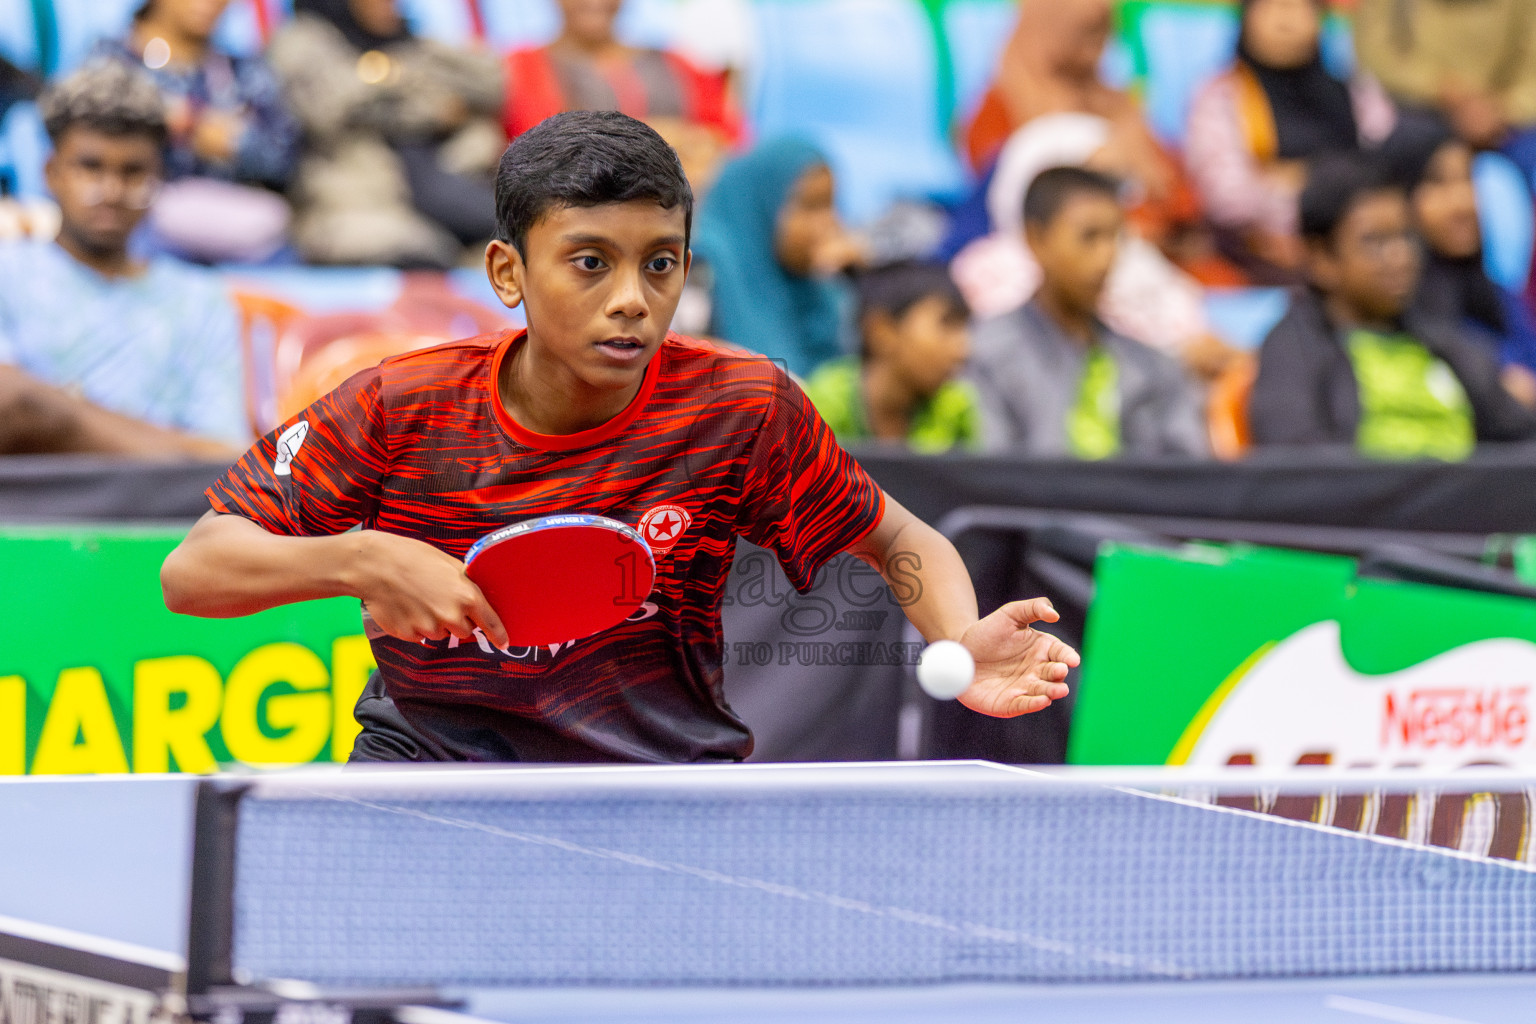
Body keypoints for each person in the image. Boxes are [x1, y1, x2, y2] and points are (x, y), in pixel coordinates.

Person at [159, 110, 1080, 765]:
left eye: (661, 263)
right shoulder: (402, 406)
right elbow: (194, 570)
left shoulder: (741, 408)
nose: (633, 298)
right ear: (508, 272)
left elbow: (897, 537)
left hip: (658, 785)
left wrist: (959, 635)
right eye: (590, 263)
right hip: (429, 774)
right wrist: (359, 559)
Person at [0, 62, 247, 453]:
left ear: (158, 179)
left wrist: (54, 413)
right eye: (90, 168)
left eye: (133, 172)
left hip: (166, 495)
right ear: (51, 173)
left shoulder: (200, 299)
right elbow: (9, 407)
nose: (112, 191)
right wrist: (167, 449)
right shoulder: (9, 274)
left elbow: (221, 456)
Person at [1250, 153, 1536, 458]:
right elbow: (1300, 466)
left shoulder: (1444, 345)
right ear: (1321, 258)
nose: (1401, 257)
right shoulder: (1292, 350)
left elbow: (1521, 439)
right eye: (1376, 242)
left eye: (1406, 237)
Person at [961, 0, 1232, 285]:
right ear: (1049, 29)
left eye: (1103, 33)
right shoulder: (1002, 107)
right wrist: (1084, 168)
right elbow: (1008, 197)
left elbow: (1176, 187)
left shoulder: (1118, 105)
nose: (1097, 45)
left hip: (1156, 256)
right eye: (1086, 32)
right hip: (1064, 270)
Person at [950, 113, 1234, 378]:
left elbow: (1197, 334)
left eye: (1114, 183)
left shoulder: (1138, 261)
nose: (1107, 255)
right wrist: (1174, 363)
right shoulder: (990, 276)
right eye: (1091, 179)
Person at [967, 167, 1209, 459]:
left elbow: (1187, 472)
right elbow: (986, 470)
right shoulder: (985, 353)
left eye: (1115, 237)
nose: (1106, 257)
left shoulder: (1154, 368)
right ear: (1035, 239)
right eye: (1089, 237)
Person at [267, 0, 504, 268]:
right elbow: (328, 108)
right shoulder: (302, 40)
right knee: (427, 251)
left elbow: (490, 81)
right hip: (351, 210)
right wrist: (401, 84)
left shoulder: (406, 42)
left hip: (435, 193)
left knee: (509, 244)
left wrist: (398, 65)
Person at [1184, 0, 1396, 281]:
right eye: (1270, 6)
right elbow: (1228, 199)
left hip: (1359, 242)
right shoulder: (1221, 96)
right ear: (1246, 18)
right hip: (1266, 250)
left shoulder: (1353, 91)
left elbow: (1387, 163)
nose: (1285, 20)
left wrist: (1295, 176)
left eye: (1299, 6)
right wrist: (1316, 188)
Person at [94, 0, 299, 264]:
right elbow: (83, 143)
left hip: (232, 234)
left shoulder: (241, 72)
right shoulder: (110, 62)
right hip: (138, 230)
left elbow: (286, 156)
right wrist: (155, 123)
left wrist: (236, 143)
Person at [502, 0, 742, 191]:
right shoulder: (523, 68)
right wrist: (669, 137)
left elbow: (731, 140)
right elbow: (537, 150)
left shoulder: (673, 63)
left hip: (686, 202)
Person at [1382, 118, 1536, 398]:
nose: (1463, 202)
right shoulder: (1392, 308)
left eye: (1467, 179)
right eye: (1438, 183)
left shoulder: (1494, 291)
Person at [688, 138, 865, 379]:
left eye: (830, 206)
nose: (828, 223)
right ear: (763, 205)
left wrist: (857, 280)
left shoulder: (816, 286)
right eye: (810, 207)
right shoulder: (702, 267)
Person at [1355, 0, 1536, 191]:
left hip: (1503, 122)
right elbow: (1375, 56)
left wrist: (1500, 111)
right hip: (1418, 111)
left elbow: (1530, 78)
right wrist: (1441, 90)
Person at [803, 261, 980, 454]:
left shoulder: (956, 408)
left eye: (963, 328)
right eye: (946, 325)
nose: (963, 350)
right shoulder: (817, 408)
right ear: (881, 331)